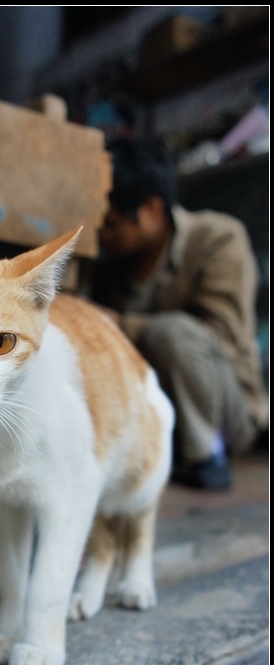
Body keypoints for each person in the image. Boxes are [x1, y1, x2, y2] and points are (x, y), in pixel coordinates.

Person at [89, 136, 268, 490]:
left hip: (229, 413)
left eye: (112, 224)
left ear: (152, 210)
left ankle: (205, 456)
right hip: (160, 409)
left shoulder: (217, 239)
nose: (104, 235)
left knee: (170, 333)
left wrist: (122, 325)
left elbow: (221, 339)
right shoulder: (112, 265)